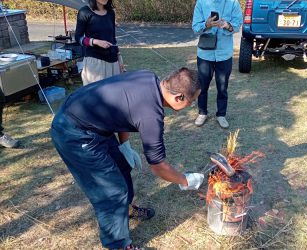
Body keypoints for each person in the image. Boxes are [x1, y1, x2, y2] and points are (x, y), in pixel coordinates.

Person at [50, 68, 204, 249]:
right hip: (74, 131)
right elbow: (157, 166)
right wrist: (185, 180)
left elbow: (123, 110)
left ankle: (127, 209)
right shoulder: (151, 114)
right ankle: (119, 245)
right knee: (111, 191)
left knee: (122, 167)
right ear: (179, 97)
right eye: (192, 102)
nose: (191, 106)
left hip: (92, 122)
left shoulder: (148, 78)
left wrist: (124, 146)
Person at [192, 0, 242, 128]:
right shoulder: (201, 3)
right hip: (205, 54)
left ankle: (221, 115)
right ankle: (202, 112)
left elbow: (237, 26)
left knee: (222, 87)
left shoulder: (233, 3)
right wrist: (207, 24)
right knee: (202, 86)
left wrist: (227, 26)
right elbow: (195, 27)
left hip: (224, 54)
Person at [75, 0, 125, 86]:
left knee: (114, 95)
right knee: (96, 96)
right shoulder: (84, 12)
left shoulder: (111, 13)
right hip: (95, 64)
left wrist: (119, 59)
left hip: (113, 62)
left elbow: (113, 38)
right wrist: (95, 42)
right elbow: (78, 38)